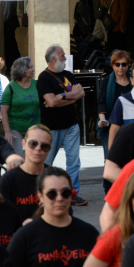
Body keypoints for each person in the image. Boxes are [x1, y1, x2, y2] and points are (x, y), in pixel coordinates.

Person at [36, 45, 86, 205]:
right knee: (46, 163)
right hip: (52, 127)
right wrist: (71, 97)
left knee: (73, 162)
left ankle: (72, 193)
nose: (65, 58)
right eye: (62, 56)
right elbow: (50, 102)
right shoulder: (44, 78)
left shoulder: (68, 75)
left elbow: (81, 93)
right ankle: (43, 194)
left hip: (71, 125)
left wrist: (62, 96)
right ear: (53, 59)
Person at [0, 124, 53, 220]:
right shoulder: (8, 180)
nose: (38, 148)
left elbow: (66, 214)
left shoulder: (55, 177)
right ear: (23, 144)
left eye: (44, 146)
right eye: (33, 143)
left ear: (49, 150)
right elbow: (2, 218)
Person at [0, 56, 40, 156]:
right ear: (22, 70)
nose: (33, 69)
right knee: (20, 157)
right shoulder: (11, 87)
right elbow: (3, 111)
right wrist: (7, 131)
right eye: (30, 67)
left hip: (34, 129)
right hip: (15, 130)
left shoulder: (37, 84)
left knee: (33, 157)